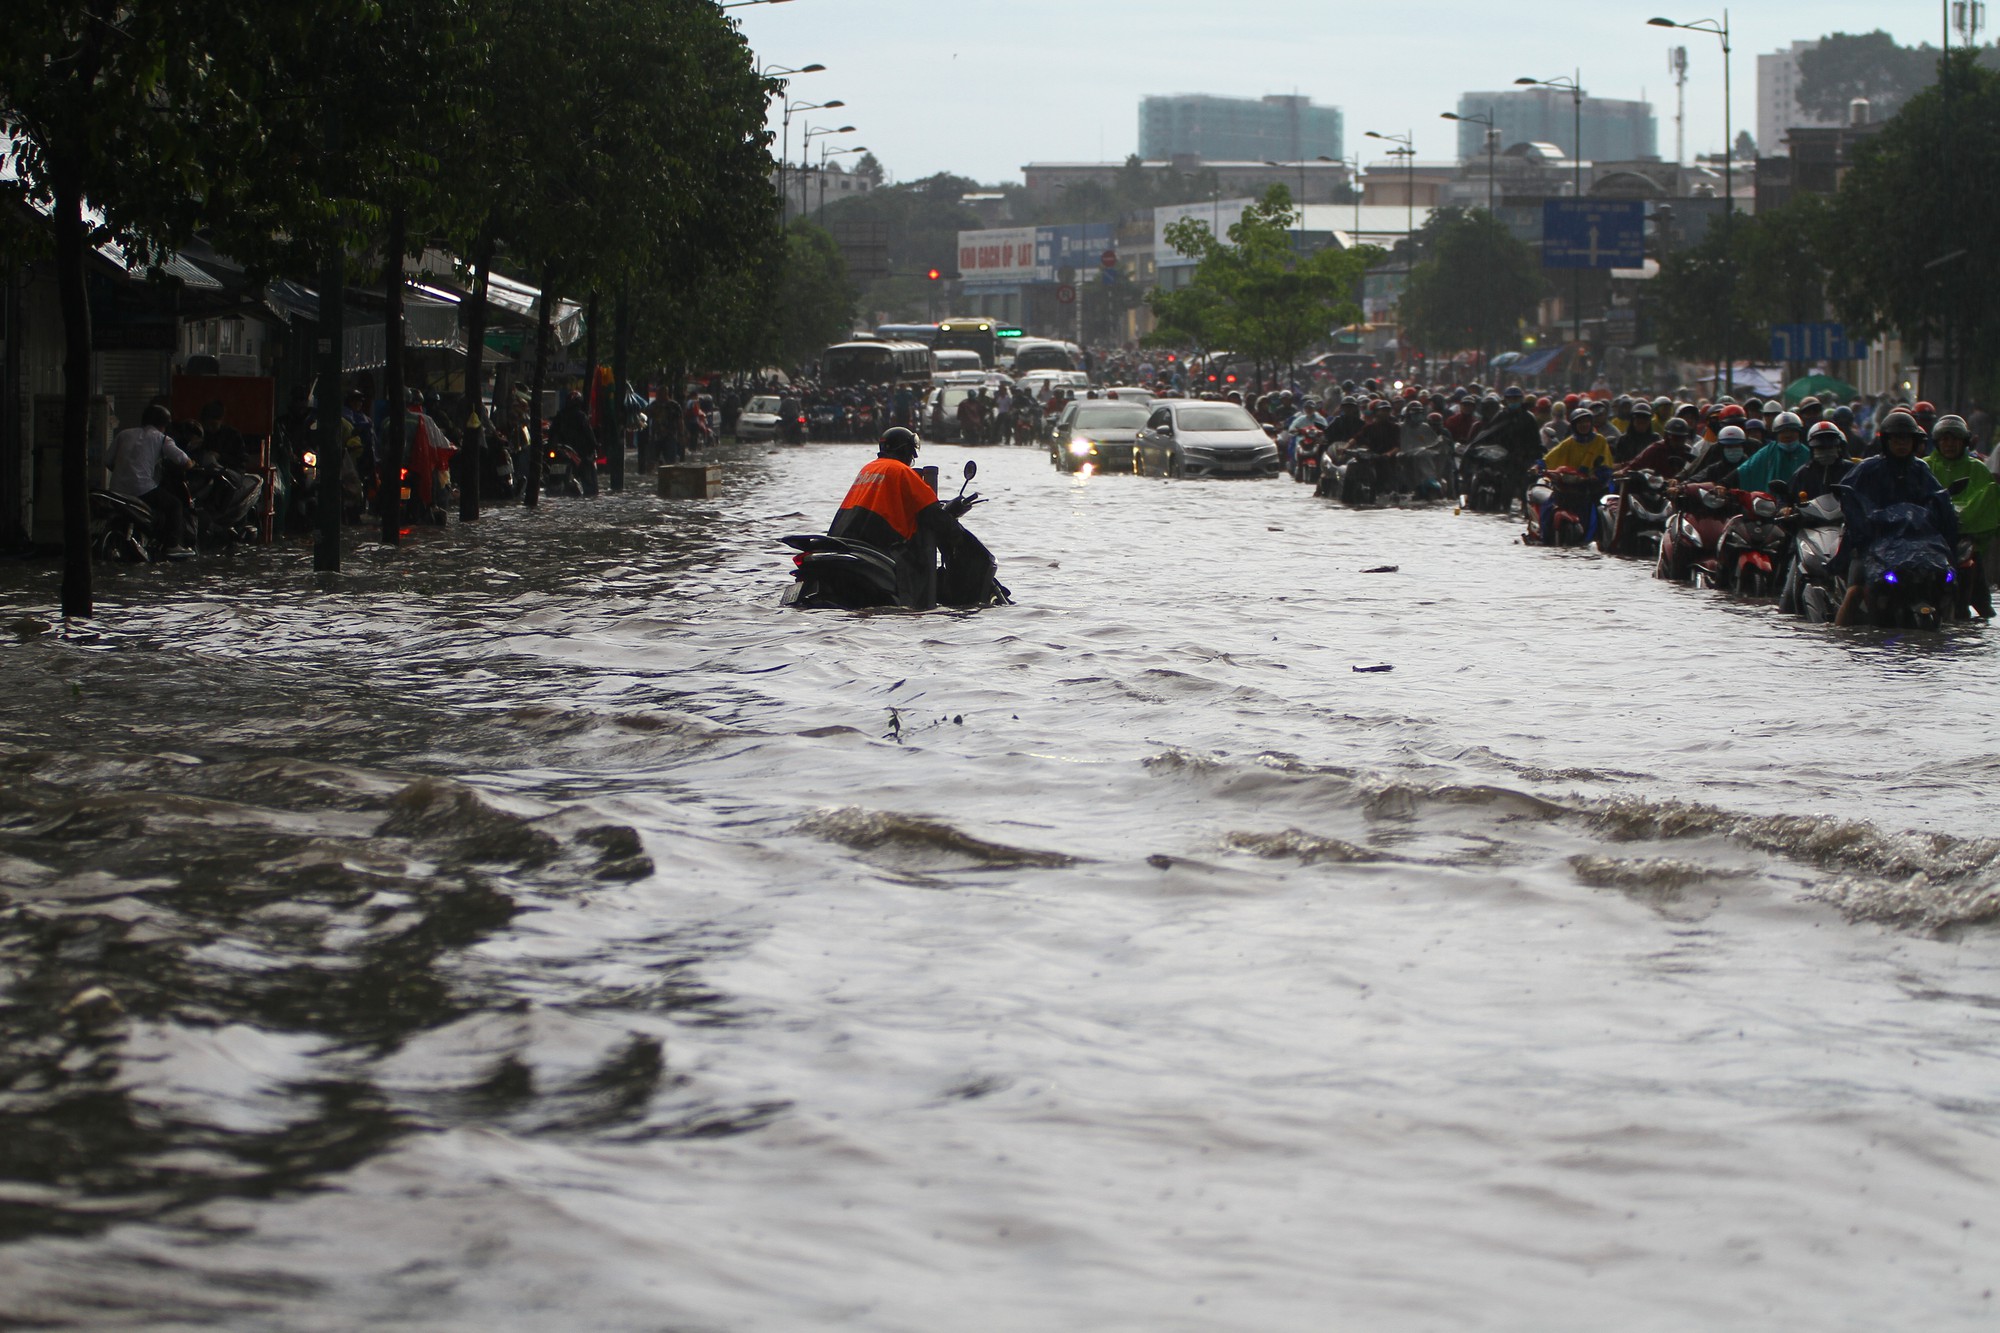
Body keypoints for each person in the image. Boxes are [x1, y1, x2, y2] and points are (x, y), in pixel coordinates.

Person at [1834, 410, 1960, 625]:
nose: (1902, 444)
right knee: (1855, 590)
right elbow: (1846, 496)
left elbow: (1937, 500)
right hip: (1872, 542)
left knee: (1947, 581)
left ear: (1914, 442)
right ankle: (1839, 636)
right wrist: (1867, 523)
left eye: (1907, 439)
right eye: (1896, 439)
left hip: (1917, 546)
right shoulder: (1867, 469)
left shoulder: (1921, 469)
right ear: (1886, 441)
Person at [828, 427, 974, 606]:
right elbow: (932, 512)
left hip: (846, 541)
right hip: (877, 546)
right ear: (906, 451)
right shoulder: (901, 471)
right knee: (916, 571)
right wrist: (956, 535)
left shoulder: (869, 468)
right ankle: (915, 606)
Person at [1924, 415, 1999, 614]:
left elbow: (1987, 502)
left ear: (1964, 442)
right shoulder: (1924, 466)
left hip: (1964, 540)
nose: (1949, 444)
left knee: (1983, 604)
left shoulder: (1977, 469)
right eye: (1945, 440)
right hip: (1928, 539)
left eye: (1955, 439)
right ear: (1937, 442)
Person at [105, 403, 194, 558]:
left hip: (116, 489)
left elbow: (108, 461)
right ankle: (172, 546)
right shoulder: (161, 439)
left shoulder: (124, 434)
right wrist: (192, 464)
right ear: (164, 425)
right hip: (142, 489)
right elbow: (184, 461)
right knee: (175, 505)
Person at [1732, 411, 1808, 496]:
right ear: (1776, 434)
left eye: (1792, 431)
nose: (1788, 435)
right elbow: (1746, 469)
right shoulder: (1767, 452)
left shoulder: (1807, 454)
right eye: (1783, 432)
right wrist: (1723, 484)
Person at [1786, 421, 1853, 503]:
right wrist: (1785, 508)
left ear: (1838, 448)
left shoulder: (1851, 470)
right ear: (1812, 449)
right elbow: (1786, 499)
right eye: (1820, 448)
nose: (1826, 453)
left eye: (1830, 447)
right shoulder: (1802, 474)